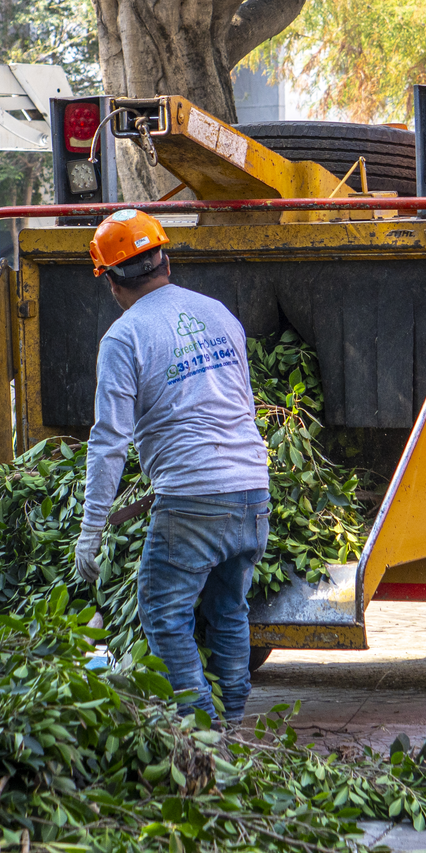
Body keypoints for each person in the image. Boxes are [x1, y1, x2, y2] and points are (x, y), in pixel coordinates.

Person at [73, 208, 270, 722]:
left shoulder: (124, 336)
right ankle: (233, 725)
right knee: (229, 610)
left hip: (192, 500)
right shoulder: (219, 313)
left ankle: (200, 732)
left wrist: (91, 530)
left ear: (112, 281)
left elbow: (110, 440)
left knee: (163, 616)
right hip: (253, 492)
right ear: (166, 260)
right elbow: (241, 405)